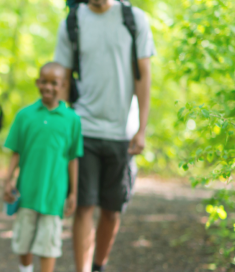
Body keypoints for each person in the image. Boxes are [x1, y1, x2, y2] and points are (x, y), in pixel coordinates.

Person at [53, 0, 156, 271]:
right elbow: (61, 78)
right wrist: (63, 126)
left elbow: (144, 75)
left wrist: (142, 129)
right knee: (84, 205)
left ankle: (98, 265)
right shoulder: (72, 22)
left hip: (123, 131)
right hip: (83, 127)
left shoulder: (134, 19)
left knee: (112, 209)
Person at [3, 62, 83, 272]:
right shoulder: (25, 115)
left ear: (63, 85)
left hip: (54, 195)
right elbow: (16, 152)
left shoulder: (72, 119)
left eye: (54, 83)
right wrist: (8, 180)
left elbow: (73, 158)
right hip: (26, 191)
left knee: (48, 245)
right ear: (38, 82)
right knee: (23, 241)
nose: (48, 87)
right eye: (44, 82)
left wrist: (73, 193)